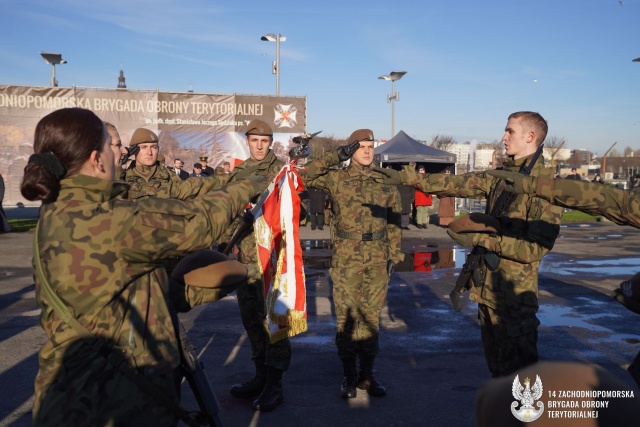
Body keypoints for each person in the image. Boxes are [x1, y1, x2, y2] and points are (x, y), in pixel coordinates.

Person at [20, 107, 266, 426]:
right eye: (113, 145)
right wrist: (248, 184)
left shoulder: (61, 209)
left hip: (82, 394)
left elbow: (111, 292)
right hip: (105, 403)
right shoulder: (102, 220)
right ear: (97, 158)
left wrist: (176, 292)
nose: (121, 152)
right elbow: (198, 223)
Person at [379, 111, 563, 378]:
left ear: (530, 136)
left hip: (513, 299)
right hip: (488, 292)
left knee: (520, 381)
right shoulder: (503, 177)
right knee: (498, 373)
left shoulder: (545, 187)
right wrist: (407, 178)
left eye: (510, 131)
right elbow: (456, 183)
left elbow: (534, 249)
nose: (504, 137)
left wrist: (480, 239)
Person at [303, 128, 404, 399]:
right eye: (361, 146)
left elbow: (395, 222)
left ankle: (367, 375)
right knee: (346, 319)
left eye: (371, 145)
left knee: (371, 319)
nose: (368, 150)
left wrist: (395, 255)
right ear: (351, 150)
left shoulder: (386, 181)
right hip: (347, 260)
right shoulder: (336, 178)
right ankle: (348, 375)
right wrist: (335, 156)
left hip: (377, 258)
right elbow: (304, 175)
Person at [219, 119, 290, 412]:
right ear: (247, 141)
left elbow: (292, 213)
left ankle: (275, 383)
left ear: (271, 141)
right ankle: (260, 376)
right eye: (254, 141)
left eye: (264, 141)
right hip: (246, 260)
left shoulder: (282, 172)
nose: (259, 146)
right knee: (251, 320)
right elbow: (229, 213)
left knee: (274, 322)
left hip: (273, 259)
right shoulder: (238, 172)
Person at [120, 129, 227, 200]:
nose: (149, 152)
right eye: (143, 147)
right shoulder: (123, 177)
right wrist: (118, 162)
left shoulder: (169, 176)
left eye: (154, 147)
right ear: (132, 150)